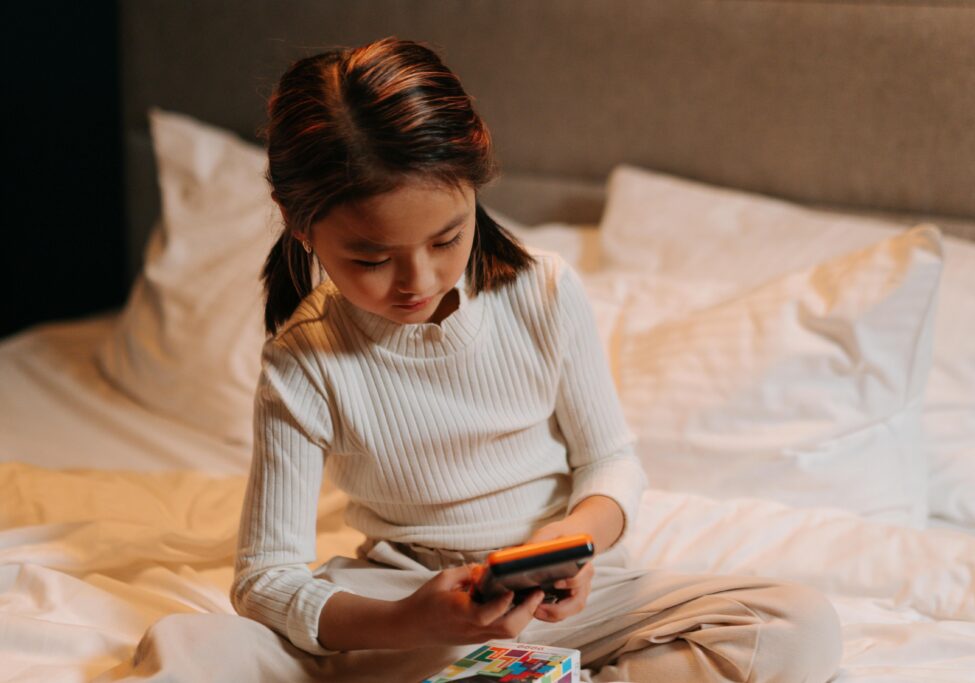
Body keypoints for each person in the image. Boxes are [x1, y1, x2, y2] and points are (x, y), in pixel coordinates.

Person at [123, 37, 843, 683]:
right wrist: (414, 619)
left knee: (796, 625)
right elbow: (265, 578)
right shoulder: (301, 362)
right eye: (371, 258)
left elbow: (612, 462)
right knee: (188, 644)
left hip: (566, 602)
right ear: (298, 223)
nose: (418, 282)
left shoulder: (545, 290)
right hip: (405, 607)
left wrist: (570, 542)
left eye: (446, 238)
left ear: (474, 188)